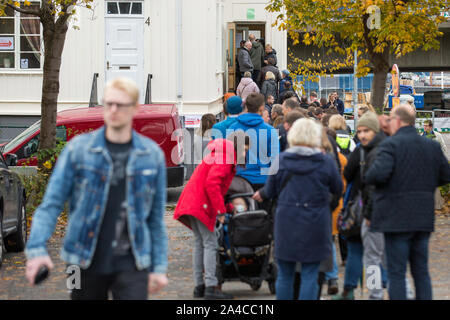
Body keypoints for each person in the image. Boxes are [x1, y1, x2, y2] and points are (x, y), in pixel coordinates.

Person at [25, 77, 168, 300]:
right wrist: (36, 251)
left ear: (135, 108)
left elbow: (156, 218)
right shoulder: (78, 151)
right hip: (80, 260)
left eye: (120, 104)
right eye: (108, 103)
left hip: (134, 262)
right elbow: (51, 205)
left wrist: (159, 267)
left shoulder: (151, 156)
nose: (112, 110)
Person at [365, 105, 450, 300]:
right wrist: (426, 185)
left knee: (397, 271)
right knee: (421, 271)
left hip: (396, 218)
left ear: (397, 121)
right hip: (422, 217)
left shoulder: (390, 145)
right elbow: (446, 175)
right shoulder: (431, 146)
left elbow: (376, 175)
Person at [253, 118, 343, 300]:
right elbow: (338, 188)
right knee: (310, 273)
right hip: (316, 220)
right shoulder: (325, 162)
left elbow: (269, 190)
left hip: (287, 220)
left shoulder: (282, 160)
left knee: (285, 273)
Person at [173, 133, 250, 299]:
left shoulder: (219, 154)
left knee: (200, 243)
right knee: (210, 243)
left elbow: (214, 187)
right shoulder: (224, 158)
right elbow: (212, 184)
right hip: (200, 204)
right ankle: (210, 287)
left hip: (193, 202)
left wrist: (227, 207)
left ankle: (199, 286)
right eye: (245, 149)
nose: (245, 153)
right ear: (237, 146)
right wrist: (221, 211)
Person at [352, 112, 388, 300]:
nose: (362, 135)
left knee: (373, 260)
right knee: (386, 261)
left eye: (366, 131)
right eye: (359, 131)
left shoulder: (375, 153)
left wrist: (367, 214)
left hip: (375, 216)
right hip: (383, 214)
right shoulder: (372, 149)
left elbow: (374, 188)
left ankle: (375, 295)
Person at [228, 93, 280, 190]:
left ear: (246, 106)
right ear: (262, 108)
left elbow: (228, 157)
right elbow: (275, 161)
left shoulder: (233, 128)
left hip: (239, 181)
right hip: (263, 181)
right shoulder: (270, 131)